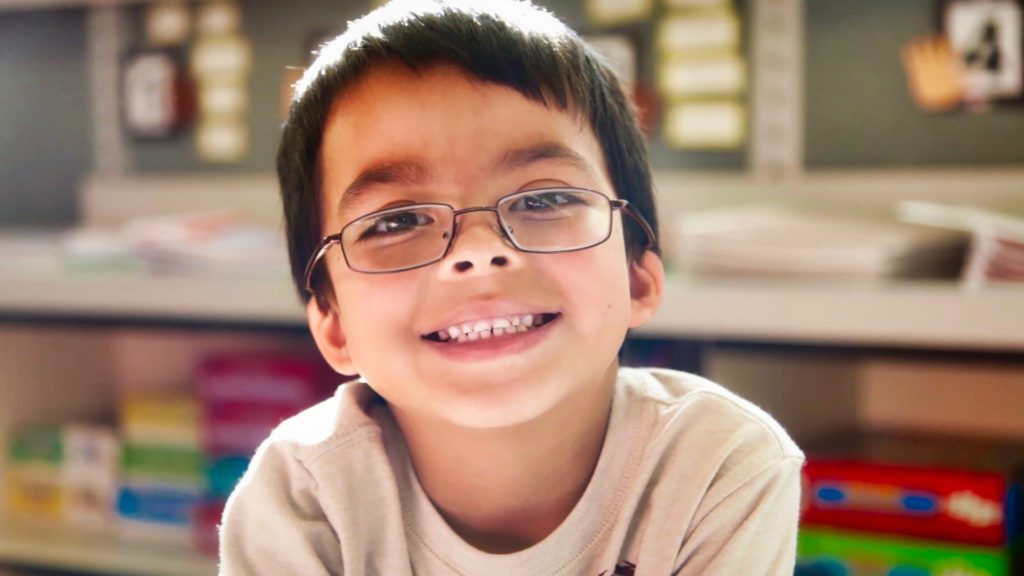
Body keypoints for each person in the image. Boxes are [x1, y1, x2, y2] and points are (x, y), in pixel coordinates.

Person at [218, 1, 804, 574]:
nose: (477, 251)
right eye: (396, 222)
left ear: (636, 275)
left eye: (545, 199)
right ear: (335, 321)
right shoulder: (302, 497)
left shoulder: (716, 464)